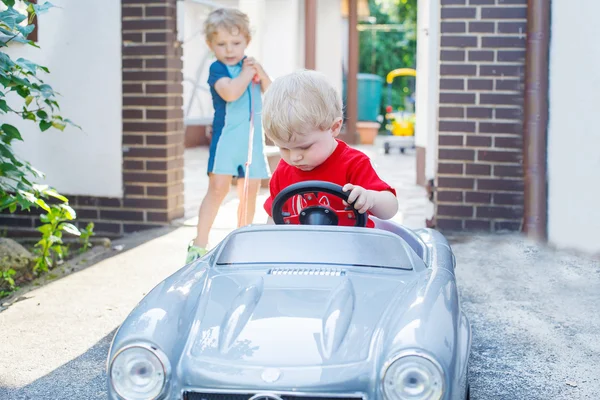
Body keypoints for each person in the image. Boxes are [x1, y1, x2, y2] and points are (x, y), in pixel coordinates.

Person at [262, 70, 398, 227]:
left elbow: (390, 209)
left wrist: (371, 198)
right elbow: (273, 216)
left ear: (334, 127)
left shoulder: (354, 164)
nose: (294, 157)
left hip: (352, 247)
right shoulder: (283, 171)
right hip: (301, 249)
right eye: (284, 148)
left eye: (304, 147)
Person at [187, 8, 271, 263]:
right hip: (227, 141)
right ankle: (199, 244)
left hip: (252, 141)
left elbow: (272, 91)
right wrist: (248, 73)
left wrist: (260, 71)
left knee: (248, 193)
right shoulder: (218, 69)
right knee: (218, 189)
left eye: (236, 43)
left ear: (247, 41)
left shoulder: (251, 66)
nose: (230, 49)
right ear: (210, 44)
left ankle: (241, 242)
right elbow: (231, 93)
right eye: (221, 44)